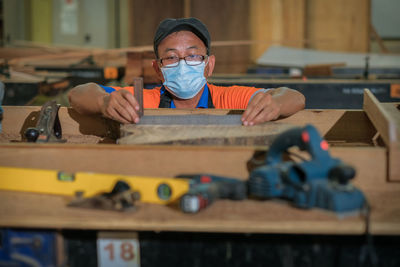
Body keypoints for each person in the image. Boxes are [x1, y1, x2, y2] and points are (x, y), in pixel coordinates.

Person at [68, 17, 305, 126]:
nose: (183, 64)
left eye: (193, 55)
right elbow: (79, 94)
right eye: (171, 57)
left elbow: (295, 97)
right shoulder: (144, 101)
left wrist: (276, 104)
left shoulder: (228, 100)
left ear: (209, 65)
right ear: (158, 69)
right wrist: (103, 102)